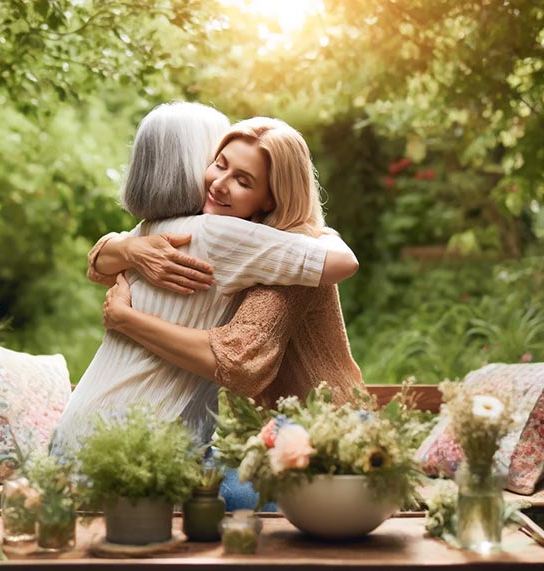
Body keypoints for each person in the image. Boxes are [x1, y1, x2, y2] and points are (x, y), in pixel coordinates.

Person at [49, 105, 359, 456]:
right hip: (268, 438)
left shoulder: (248, 243)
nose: (219, 184)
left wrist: (127, 319)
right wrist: (131, 248)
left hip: (325, 438)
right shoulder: (191, 228)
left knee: (217, 489)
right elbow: (99, 263)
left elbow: (240, 365)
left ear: (272, 197)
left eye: (243, 181)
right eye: (219, 164)